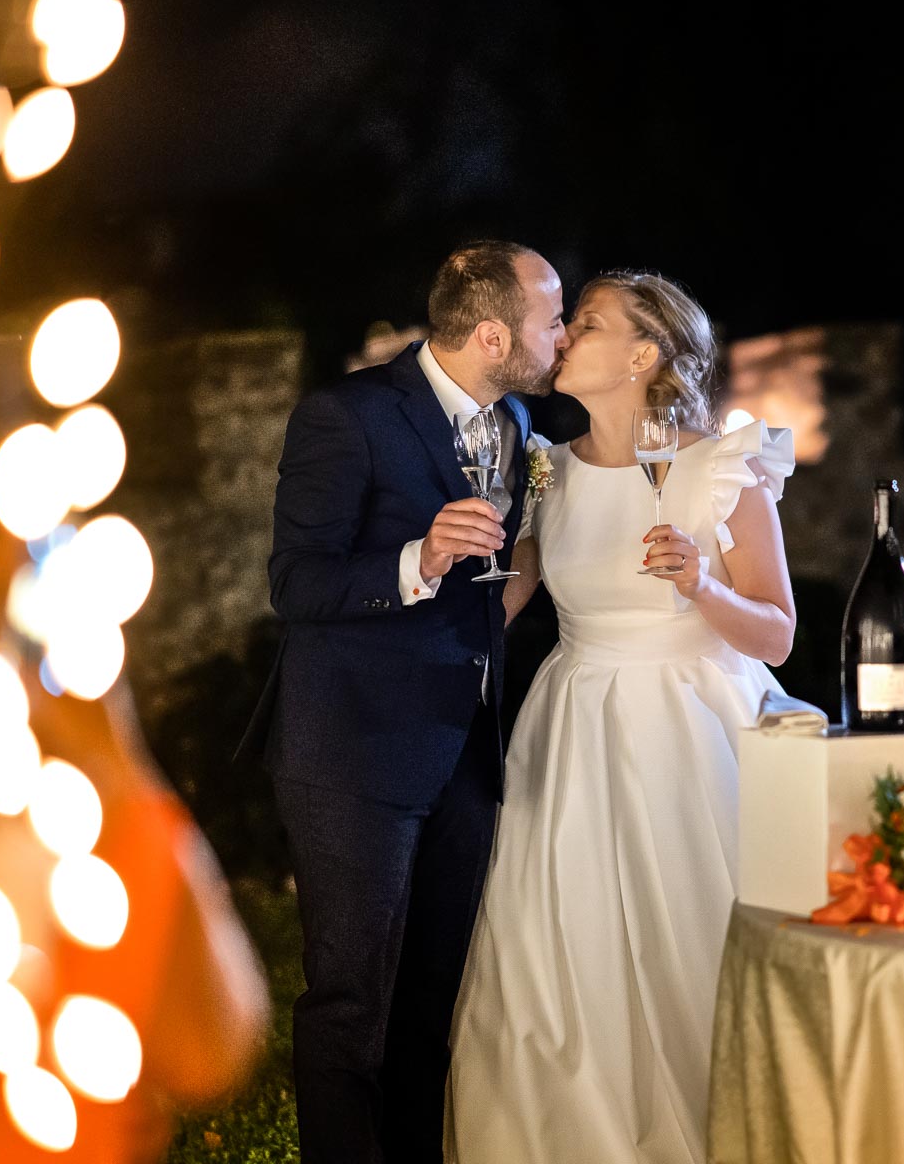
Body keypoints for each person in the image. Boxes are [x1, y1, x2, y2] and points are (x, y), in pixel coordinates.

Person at [445, 269, 797, 1163]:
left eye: (588, 323)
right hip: (572, 736)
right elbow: (502, 603)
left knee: (694, 957)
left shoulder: (724, 466)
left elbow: (780, 634)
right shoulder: (544, 469)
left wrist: (701, 585)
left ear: (643, 354)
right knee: (556, 962)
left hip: (691, 735)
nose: (563, 337)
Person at [238, 239, 566, 1162]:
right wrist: (417, 561)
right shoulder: (348, 417)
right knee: (351, 1004)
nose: (565, 334)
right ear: (496, 334)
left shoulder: (521, 428)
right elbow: (296, 584)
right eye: (553, 319)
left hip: (464, 746)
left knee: (434, 999)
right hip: (351, 748)